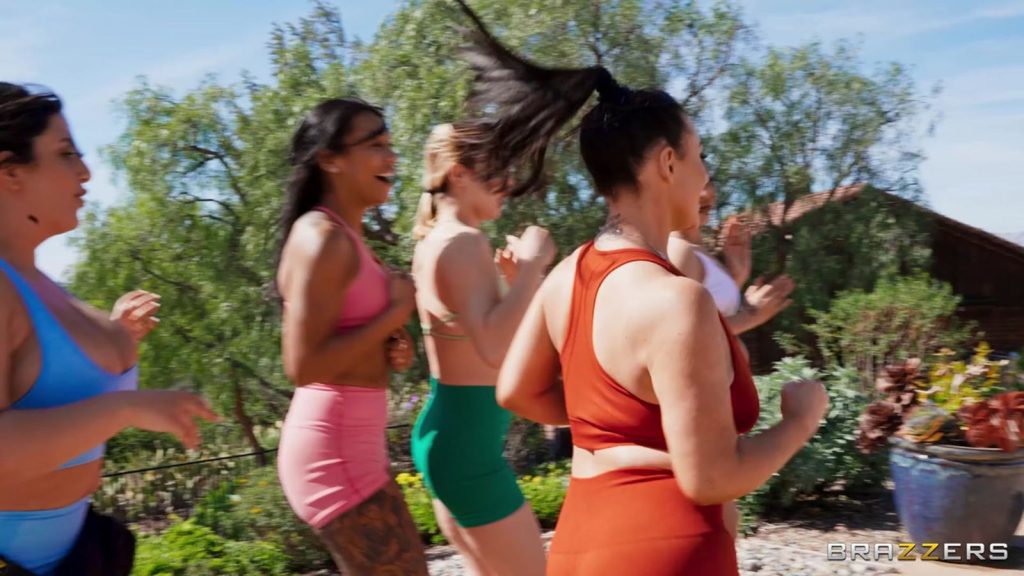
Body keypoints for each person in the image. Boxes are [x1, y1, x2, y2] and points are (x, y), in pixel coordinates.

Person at [448, 3, 831, 574]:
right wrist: (799, 420)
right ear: (668, 163)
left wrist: (616, 430)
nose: (705, 178)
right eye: (700, 156)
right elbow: (711, 479)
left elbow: (516, 392)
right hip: (666, 548)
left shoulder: (566, 276)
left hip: (577, 547)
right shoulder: (677, 300)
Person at [0, 82, 219, 575]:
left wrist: (120, 334)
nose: (85, 171)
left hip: (77, 551)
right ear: (11, 171)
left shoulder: (39, 284)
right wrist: (126, 408)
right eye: (65, 154)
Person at [274, 98, 428, 576]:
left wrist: (390, 345)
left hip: (354, 445)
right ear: (330, 159)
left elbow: (343, 339)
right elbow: (302, 366)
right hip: (333, 453)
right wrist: (395, 313)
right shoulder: (321, 237)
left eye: (390, 144)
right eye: (376, 145)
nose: (392, 157)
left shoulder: (347, 237)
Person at [409, 122, 555, 576]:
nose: (508, 184)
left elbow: (494, 340)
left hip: (455, 438)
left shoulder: (438, 240)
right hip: (467, 448)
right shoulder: (462, 241)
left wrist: (518, 286)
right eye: (497, 172)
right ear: (458, 174)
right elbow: (493, 350)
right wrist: (531, 268)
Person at [668, 178, 795, 335]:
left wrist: (736, 279)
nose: (707, 193)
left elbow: (715, 317)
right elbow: (683, 335)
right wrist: (750, 316)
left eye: (707, 182)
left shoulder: (697, 251)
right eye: (694, 183)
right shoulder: (677, 251)